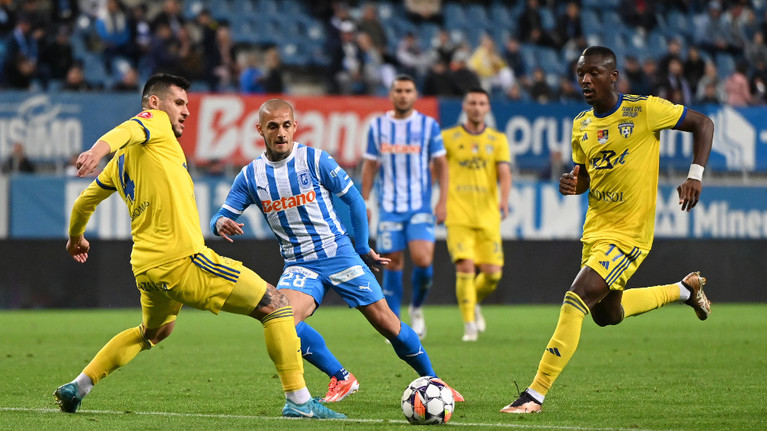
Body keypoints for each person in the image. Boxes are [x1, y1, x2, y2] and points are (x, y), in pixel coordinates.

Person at [52, 74, 345, 420]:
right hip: (183, 260)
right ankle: (298, 402)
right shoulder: (153, 123)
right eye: (179, 103)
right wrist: (97, 151)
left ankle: (78, 386)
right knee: (277, 305)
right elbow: (126, 131)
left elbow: (84, 203)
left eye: (187, 104)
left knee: (154, 331)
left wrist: (75, 238)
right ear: (154, 103)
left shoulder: (121, 165)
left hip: (147, 269)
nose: (186, 111)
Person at [501, 46, 713, 414]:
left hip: (630, 234)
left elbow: (703, 124)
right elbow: (585, 176)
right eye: (581, 72)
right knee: (606, 314)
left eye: (594, 72)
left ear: (613, 76)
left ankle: (534, 393)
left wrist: (695, 175)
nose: (585, 79)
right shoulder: (581, 123)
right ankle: (684, 289)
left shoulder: (644, 110)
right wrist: (573, 183)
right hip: (595, 230)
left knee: (576, 297)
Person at [210, 98, 463, 404]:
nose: (280, 132)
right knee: (281, 320)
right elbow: (220, 215)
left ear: (295, 126)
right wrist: (220, 222)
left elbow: (354, 199)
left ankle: (434, 382)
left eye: (286, 125)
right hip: (299, 264)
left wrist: (360, 247)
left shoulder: (315, 160)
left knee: (387, 323)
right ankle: (341, 377)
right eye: (273, 126)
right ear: (259, 129)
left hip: (338, 252)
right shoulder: (251, 176)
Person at [361, 74, 448, 340]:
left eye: (408, 90)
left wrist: (442, 200)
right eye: (398, 90)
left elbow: (442, 165)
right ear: (391, 94)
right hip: (388, 206)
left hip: (420, 206)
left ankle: (417, 307)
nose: (402, 94)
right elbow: (370, 166)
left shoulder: (428, 126)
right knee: (393, 262)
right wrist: (364, 202)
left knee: (423, 261)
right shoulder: (377, 127)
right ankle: (394, 323)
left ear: (414, 95)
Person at [442, 88, 511, 342]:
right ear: (465, 106)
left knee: (493, 274)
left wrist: (504, 200)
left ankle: (474, 303)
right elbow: (436, 170)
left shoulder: (498, 139)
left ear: (488, 108)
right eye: (472, 102)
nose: (477, 107)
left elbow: (504, 172)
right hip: (458, 213)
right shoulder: (447, 137)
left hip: (487, 215)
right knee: (465, 267)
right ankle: (469, 324)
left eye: (482, 103)